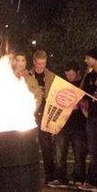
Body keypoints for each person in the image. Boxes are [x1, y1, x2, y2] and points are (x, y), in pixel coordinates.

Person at [49, 61, 87, 188]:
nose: (69, 77)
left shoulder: (84, 84)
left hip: (79, 125)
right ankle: (60, 178)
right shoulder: (63, 84)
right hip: (63, 124)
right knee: (60, 153)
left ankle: (79, 178)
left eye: (71, 75)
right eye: (67, 75)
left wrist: (80, 104)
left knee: (79, 154)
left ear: (78, 72)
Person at [80, 47, 97, 192]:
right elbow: (83, 92)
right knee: (94, 151)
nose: (86, 61)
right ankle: (93, 181)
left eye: (88, 58)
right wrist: (88, 77)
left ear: (95, 58)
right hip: (92, 117)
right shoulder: (89, 75)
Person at [30, 50, 56, 184]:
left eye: (43, 63)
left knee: (47, 146)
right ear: (34, 62)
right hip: (31, 113)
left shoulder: (51, 76)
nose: (41, 66)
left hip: (46, 113)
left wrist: (45, 93)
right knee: (29, 145)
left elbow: (56, 93)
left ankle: (50, 176)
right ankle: (29, 176)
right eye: (39, 63)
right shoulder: (28, 75)